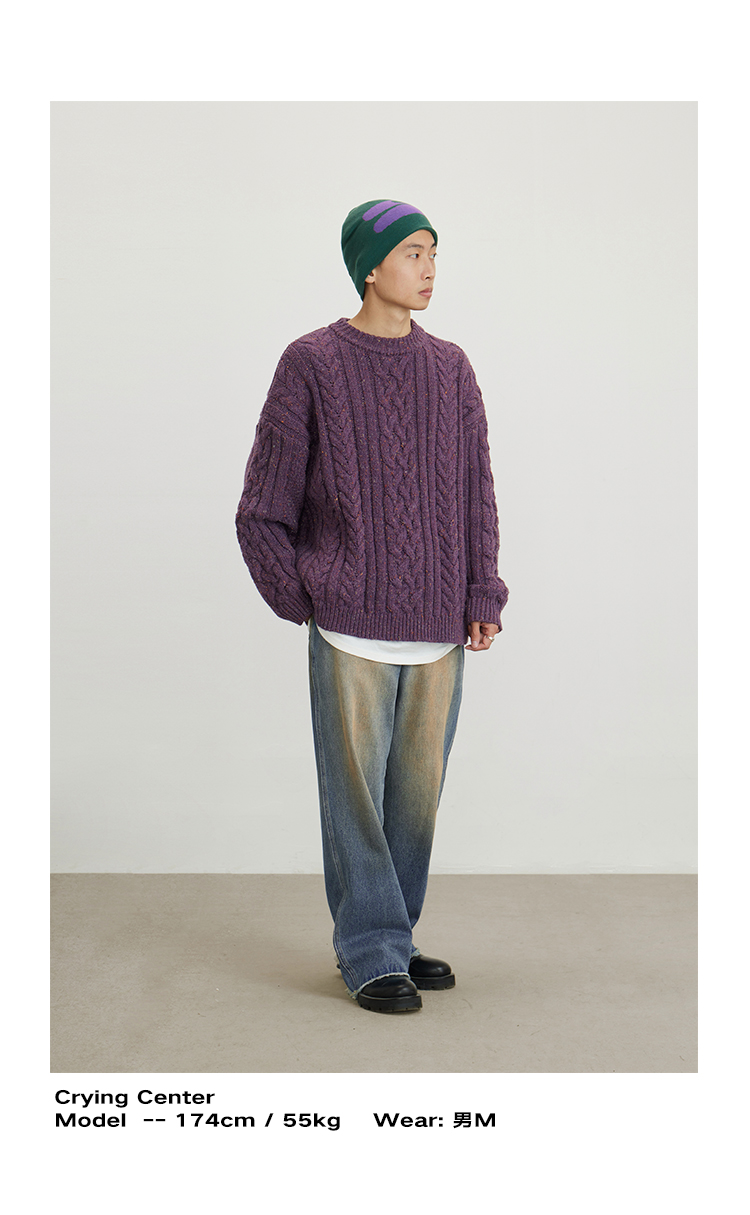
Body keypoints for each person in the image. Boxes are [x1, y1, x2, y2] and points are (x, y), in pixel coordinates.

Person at [236, 198, 508, 1013]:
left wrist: (481, 589)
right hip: (350, 626)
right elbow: (262, 507)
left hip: (438, 627)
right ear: (370, 267)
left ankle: (393, 933)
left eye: (434, 253)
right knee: (354, 799)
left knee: (415, 801)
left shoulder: (451, 368)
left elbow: (476, 491)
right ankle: (369, 948)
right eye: (414, 253)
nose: (429, 269)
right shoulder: (312, 363)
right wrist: (308, 596)